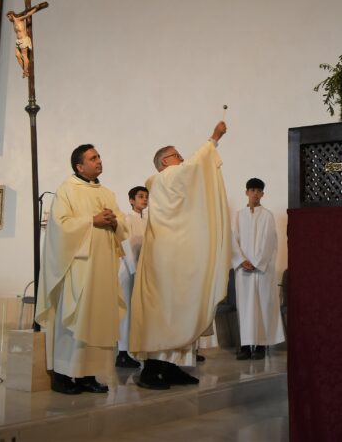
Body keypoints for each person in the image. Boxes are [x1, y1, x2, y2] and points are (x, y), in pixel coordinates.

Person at [131, 121, 232, 390]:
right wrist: (214, 138)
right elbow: (195, 167)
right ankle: (152, 370)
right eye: (177, 155)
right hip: (164, 260)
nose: (182, 158)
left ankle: (173, 366)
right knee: (163, 311)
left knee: (181, 308)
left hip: (178, 256)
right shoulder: (165, 178)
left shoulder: (170, 182)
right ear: (165, 162)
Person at [35, 144, 127, 395]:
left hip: (102, 268)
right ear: (79, 166)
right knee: (74, 319)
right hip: (77, 269)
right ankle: (64, 375)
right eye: (93, 158)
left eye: (99, 156)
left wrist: (115, 221)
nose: (99, 160)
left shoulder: (107, 193)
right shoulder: (67, 190)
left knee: (97, 321)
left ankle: (88, 374)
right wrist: (92, 221)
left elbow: (121, 226)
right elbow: (59, 226)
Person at [233, 178, 285, 360]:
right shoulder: (238, 215)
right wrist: (241, 260)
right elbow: (233, 241)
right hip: (243, 270)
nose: (255, 193)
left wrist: (256, 262)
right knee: (245, 307)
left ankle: (261, 345)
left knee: (263, 304)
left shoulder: (268, 215)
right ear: (246, 192)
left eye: (258, 190)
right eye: (252, 190)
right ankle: (246, 345)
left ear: (263, 194)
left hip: (262, 270)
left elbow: (269, 241)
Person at [116, 186, 149, 369]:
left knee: (139, 312)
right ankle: (122, 353)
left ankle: (136, 349)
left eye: (146, 197)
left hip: (142, 271)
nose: (144, 200)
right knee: (126, 312)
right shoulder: (127, 219)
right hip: (128, 271)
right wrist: (134, 270)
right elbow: (126, 245)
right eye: (140, 197)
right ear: (131, 200)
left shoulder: (148, 221)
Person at [5, 1, 48, 78]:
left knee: (24, 55)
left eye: (8, 17)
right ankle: (25, 70)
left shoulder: (19, 19)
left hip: (24, 40)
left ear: (11, 15)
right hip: (18, 41)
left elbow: (28, 14)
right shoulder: (13, 23)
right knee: (17, 55)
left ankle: (25, 71)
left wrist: (36, 8)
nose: (8, 19)